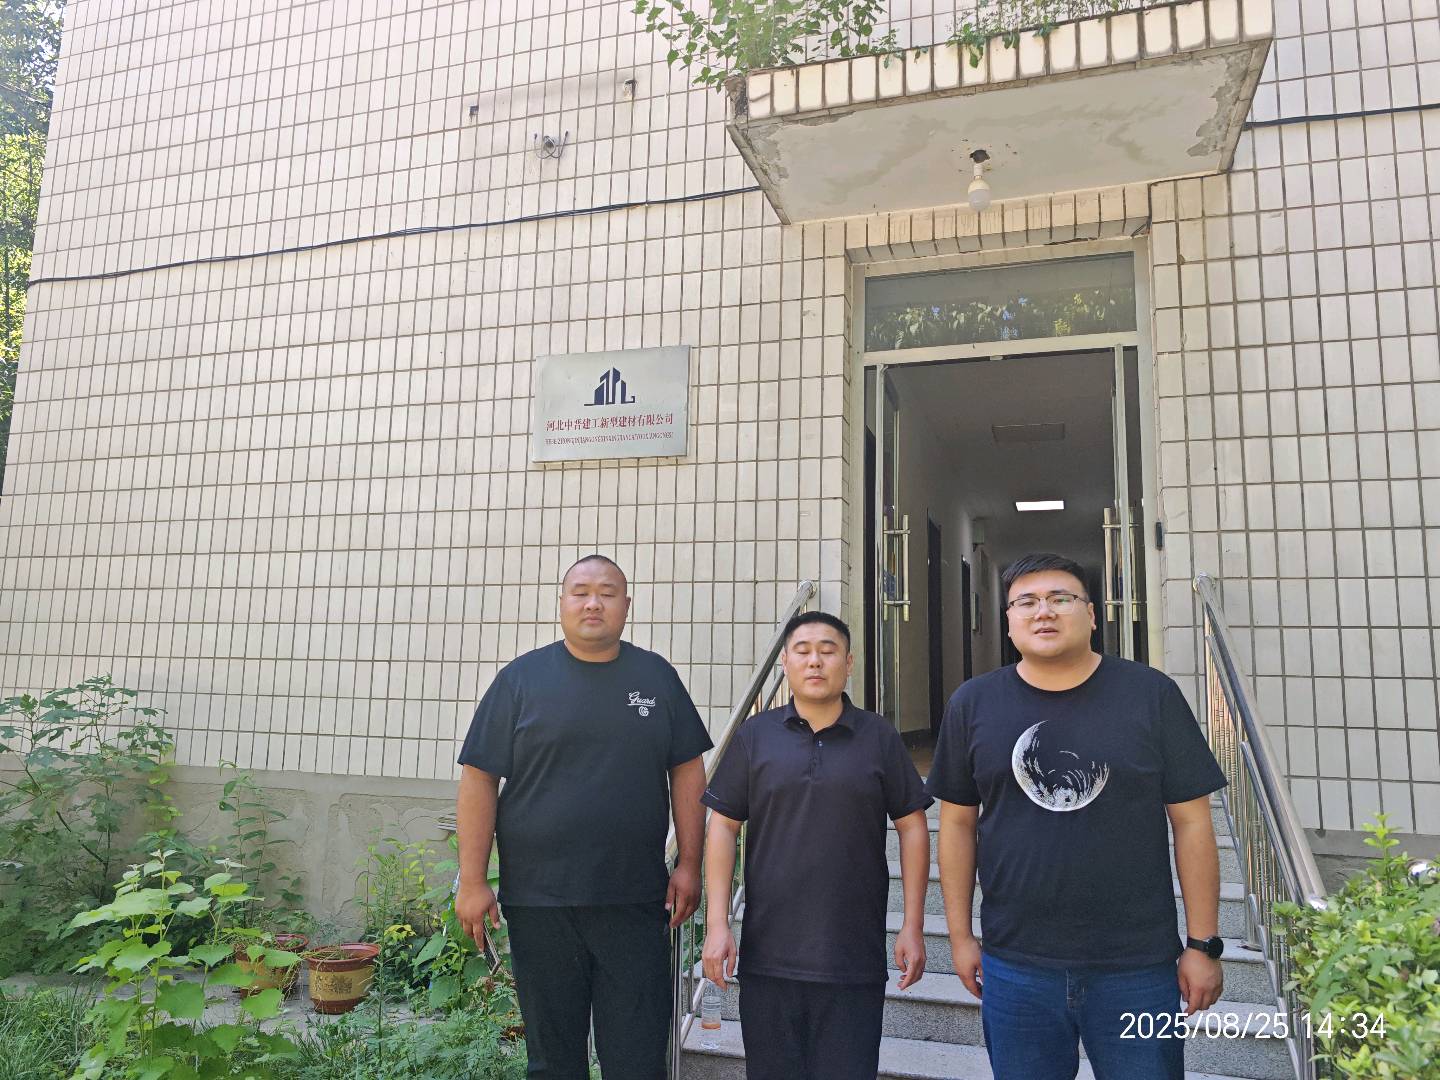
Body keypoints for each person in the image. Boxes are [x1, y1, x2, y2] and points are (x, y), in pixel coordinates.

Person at [927, 552, 1228, 1080]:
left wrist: (1202, 944)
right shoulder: (973, 703)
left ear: (1091, 615)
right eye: (1026, 602)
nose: (1043, 611)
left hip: (1137, 965)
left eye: (1060, 598)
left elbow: (1192, 823)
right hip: (1015, 964)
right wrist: (960, 936)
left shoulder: (1150, 694)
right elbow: (955, 824)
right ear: (1009, 621)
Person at [453, 554, 712, 1080]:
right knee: (553, 1060)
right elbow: (479, 778)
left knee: (638, 1058)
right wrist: (473, 880)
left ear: (626, 605)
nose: (594, 603)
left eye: (607, 593)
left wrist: (690, 864)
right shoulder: (520, 680)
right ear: (562, 603)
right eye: (581, 592)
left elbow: (688, 770)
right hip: (540, 903)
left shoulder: (656, 677)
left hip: (634, 900)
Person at [700, 610, 932, 1080]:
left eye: (828, 651)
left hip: (853, 960)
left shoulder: (879, 737)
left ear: (849, 663)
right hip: (768, 959)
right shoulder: (756, 736)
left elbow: (912, 826)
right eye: (802, 651)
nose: (815, 661)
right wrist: (717, 924)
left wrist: (912, 925)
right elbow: (722, 826)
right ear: (785, 662)